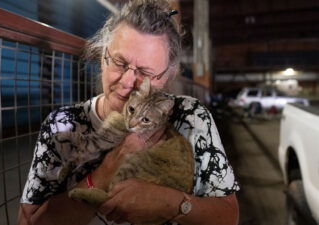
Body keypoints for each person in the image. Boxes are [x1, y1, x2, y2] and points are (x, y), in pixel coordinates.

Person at [18, 0, 240, 224]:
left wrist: (172, 203)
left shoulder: (192, 116)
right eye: (119, 62)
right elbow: (28, 222)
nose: (127, 82)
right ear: (103, 56)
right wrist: (106, 170)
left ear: (166, 77)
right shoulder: (61, 125)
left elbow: (229, 216)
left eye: (145, 72)